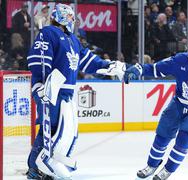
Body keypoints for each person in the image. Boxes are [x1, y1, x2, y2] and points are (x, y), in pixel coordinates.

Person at [26, 4, 124, 179]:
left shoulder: (73, 40)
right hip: (50, 90)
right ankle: (35, 168)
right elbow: (39, 60)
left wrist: (109, 66)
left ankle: (49, 166)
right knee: (51, 129)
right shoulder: (48, 33)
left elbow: (89, 62)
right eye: (71, 17)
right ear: (63, 18)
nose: (73, 20)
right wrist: (41, 86)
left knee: (65, 131)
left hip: (66, 93)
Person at [124, 35, 188, 180]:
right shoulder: (180, 59)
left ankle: (168, 170)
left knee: (183, 141)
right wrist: (139, 69)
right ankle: (151, 165)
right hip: (178, 104)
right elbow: (157, 69)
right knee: (162, 136)